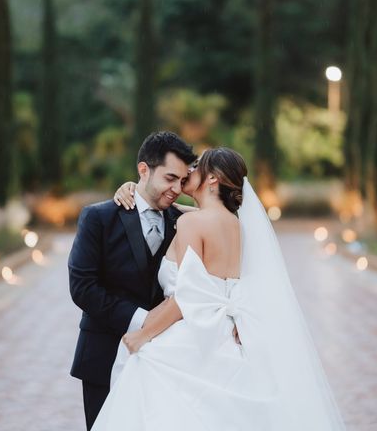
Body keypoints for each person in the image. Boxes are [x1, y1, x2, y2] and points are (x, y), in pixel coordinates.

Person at [93, 147, 346, 430]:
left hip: (191, 335)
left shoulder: (192, 223)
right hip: (225, 336)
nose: (189, 171)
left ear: (212, 179)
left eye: (197, 166)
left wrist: (143, 335)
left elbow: (188, 295)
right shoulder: (237, 226)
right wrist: (133, 188)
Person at [68, 131, 197, 430]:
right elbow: (82, 288)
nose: (177, 188)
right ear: (143, 170)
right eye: (169, 178)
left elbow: (224, 218)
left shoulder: (183, 221)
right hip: (104, 353)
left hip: (162, 359)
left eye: (182, 181)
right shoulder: (98, 217)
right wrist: (144, 320)